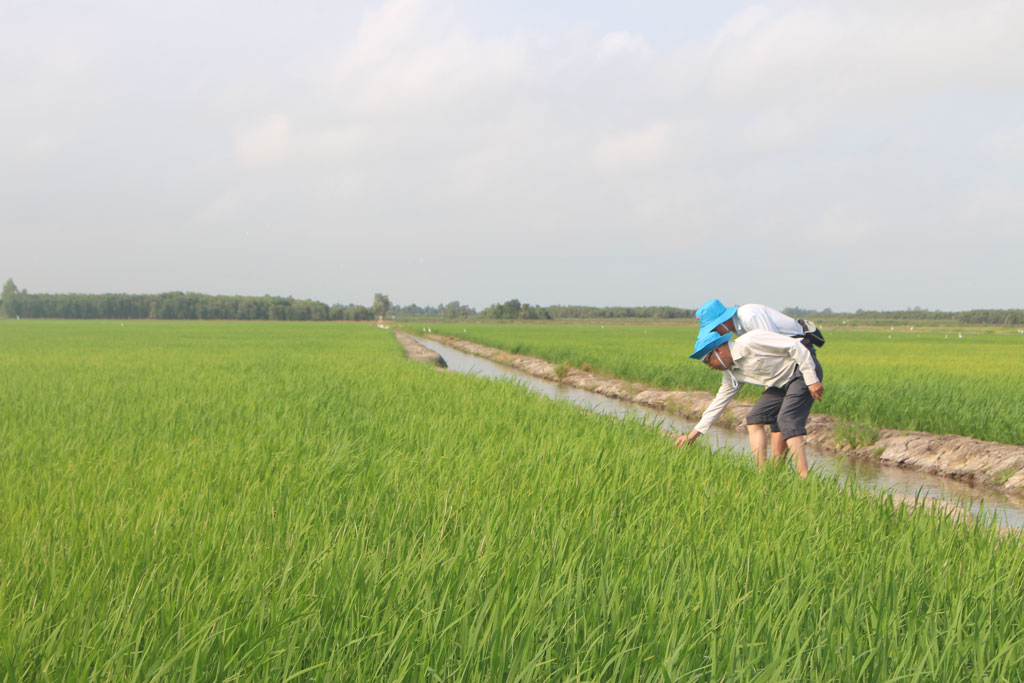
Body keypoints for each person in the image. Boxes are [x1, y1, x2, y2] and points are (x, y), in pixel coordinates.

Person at [674, 327, 824, 478]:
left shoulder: (750, 341)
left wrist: (812, 380)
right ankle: (764, 475)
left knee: (786, 419)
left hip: (801, 372)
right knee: (754, 418)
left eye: (708, 362)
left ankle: (804, 477)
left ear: (718, 351)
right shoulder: (731, 372)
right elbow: (719, 402)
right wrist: (693, 434)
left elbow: (796, 347)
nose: (711, 368)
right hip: (779, 384)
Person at [693, 299, 825, 458]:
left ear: (721, 322)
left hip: (798, 356)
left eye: (713, 328)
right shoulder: (738, 329)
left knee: (782, 419)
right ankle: (772, 473)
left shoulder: (750, 316)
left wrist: (809, 380)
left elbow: (774, 345)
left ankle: (776, 471)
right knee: (767, 418)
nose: (716, 334)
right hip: (786, 363)